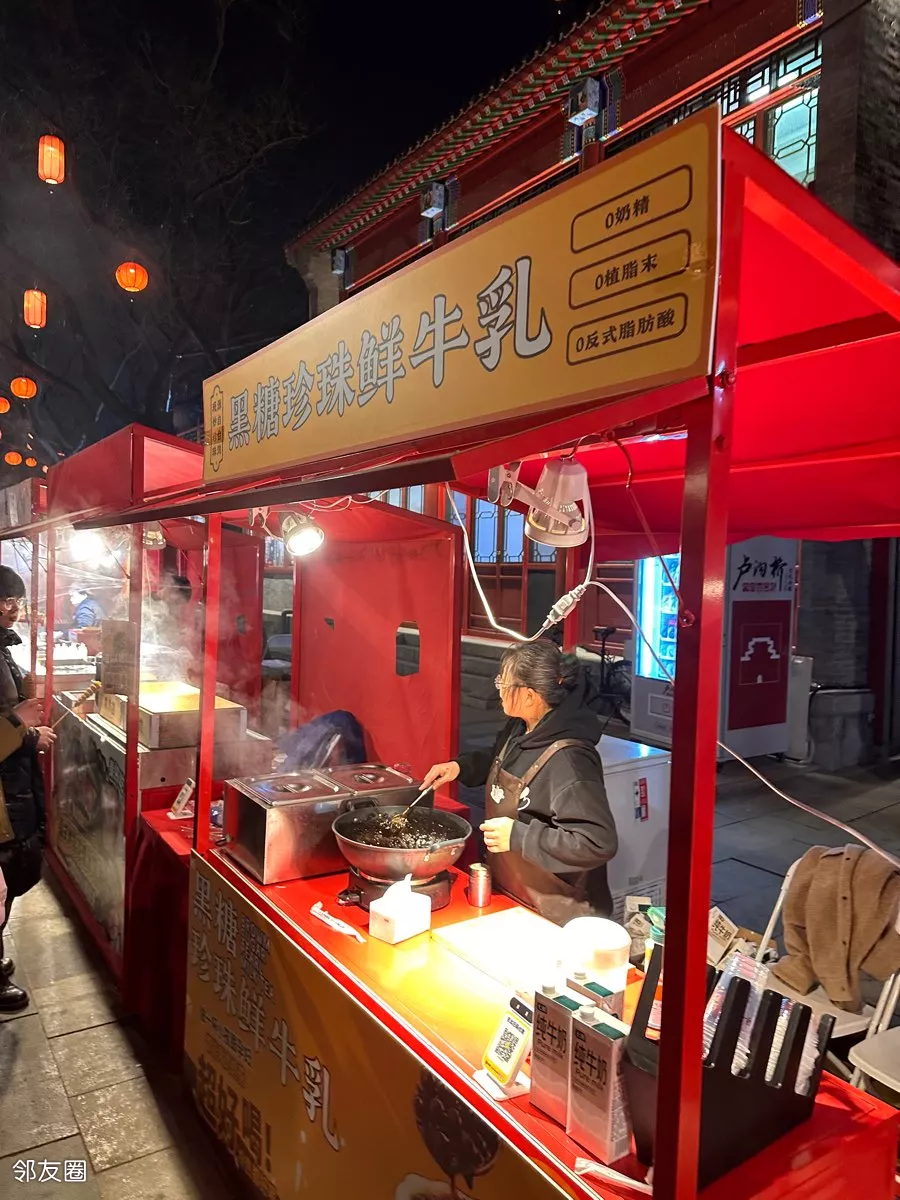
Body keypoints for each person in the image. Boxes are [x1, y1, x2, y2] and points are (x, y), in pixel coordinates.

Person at [423, 639, 618, 926]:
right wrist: (460, 767)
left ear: (529, 696)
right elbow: (499, 758)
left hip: (559, 915)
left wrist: (519, 836)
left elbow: (596, 843)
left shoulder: (570, 761)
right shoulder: (522, 727)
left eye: (503, 682)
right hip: (515, 896)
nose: (498, 689)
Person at [0, 565, 56, 1012]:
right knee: (2, 881)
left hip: (12, 782)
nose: (14, 608)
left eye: (16, 600)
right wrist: (23, 727)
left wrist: (26, 729)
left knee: (10, 873)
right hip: (2, 792)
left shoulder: (3, 647)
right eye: (7, 600)